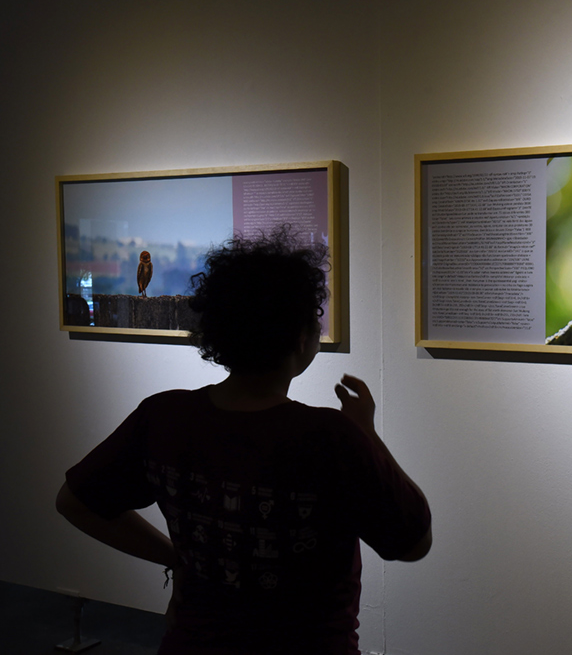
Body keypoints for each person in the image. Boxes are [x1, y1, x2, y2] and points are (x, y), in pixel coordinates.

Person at [56, 229, 431, 654]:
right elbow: (413, 541)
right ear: (301, 338)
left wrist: (176, 558)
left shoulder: (164, 416)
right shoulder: (331, 437)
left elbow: (74, 501)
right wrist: (368, 434)